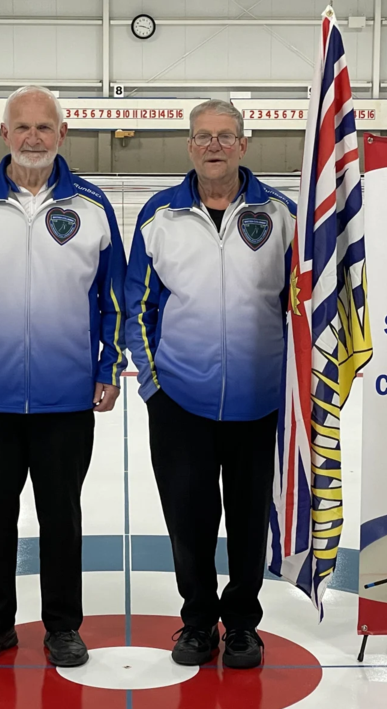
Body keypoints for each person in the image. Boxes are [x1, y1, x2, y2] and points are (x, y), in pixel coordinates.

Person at [0, 85, 127, 668]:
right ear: (4, 135)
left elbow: (113, 299)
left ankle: (63, 626)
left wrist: (108, 366)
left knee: (60, 516)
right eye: (22, 127)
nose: (33, 137)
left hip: (67, 398)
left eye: (45, 127)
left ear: (62, 134)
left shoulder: (92, 207)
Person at [125, 99, 296, 669]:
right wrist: (153, 385)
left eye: (226, 136)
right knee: (189, 521)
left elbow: (303, 305)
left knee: (250, 523)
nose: (215, 145)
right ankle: (197, 622)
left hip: (261, 402)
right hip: (181, 402)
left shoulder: (282, 215)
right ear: (190, 146)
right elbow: (138, 307)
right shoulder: (159, 215)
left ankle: (243, 623)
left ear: (245, 145)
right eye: (204, 136)